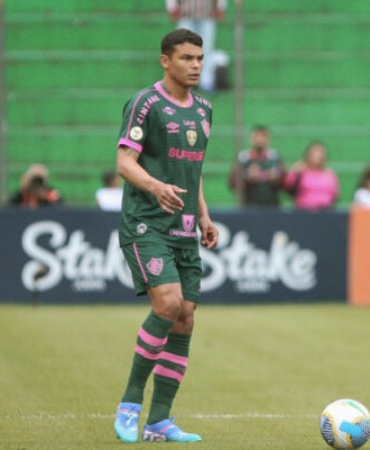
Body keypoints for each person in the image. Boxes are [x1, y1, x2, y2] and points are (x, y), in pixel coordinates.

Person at [113, 28, 219, 444]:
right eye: (187, 58)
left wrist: (204, 215)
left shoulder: (205, 109)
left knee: (186, 317)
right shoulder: (146, 103)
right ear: (165, 60)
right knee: (169, 302)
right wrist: (155, 187)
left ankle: (159, 421)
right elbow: (125, 161)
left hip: (185, 229)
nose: (195, 65)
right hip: (146, 223)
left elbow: (194, 170)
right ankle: (130, 403)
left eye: (199, 58)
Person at [166, 0, 227, 93]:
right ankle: (183, 80)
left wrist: (221, 6)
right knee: (183, 48)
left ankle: (206, 82)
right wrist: (171, 6)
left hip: (207, 12)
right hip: (185, 12)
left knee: (206, 48)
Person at [228, 125, 285, 207]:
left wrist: (276, 179)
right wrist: (248, 179)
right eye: (256, 136)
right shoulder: (243, 158)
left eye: (263, 136)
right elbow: (232, 184)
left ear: (268, 139)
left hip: (272, 208)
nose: (260, 139)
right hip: (248, 207)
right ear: (250, 139)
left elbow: (285, 182)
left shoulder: (275, 158)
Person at [283, 141, 339, 211]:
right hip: (304, 211)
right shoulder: (301, 171)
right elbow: (287, 185)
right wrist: (295, 170)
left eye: (321, 152)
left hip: (326, 211)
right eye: (315, 152)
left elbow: (335, 195)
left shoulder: (330, 174)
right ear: (308, 155)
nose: (318, 155)